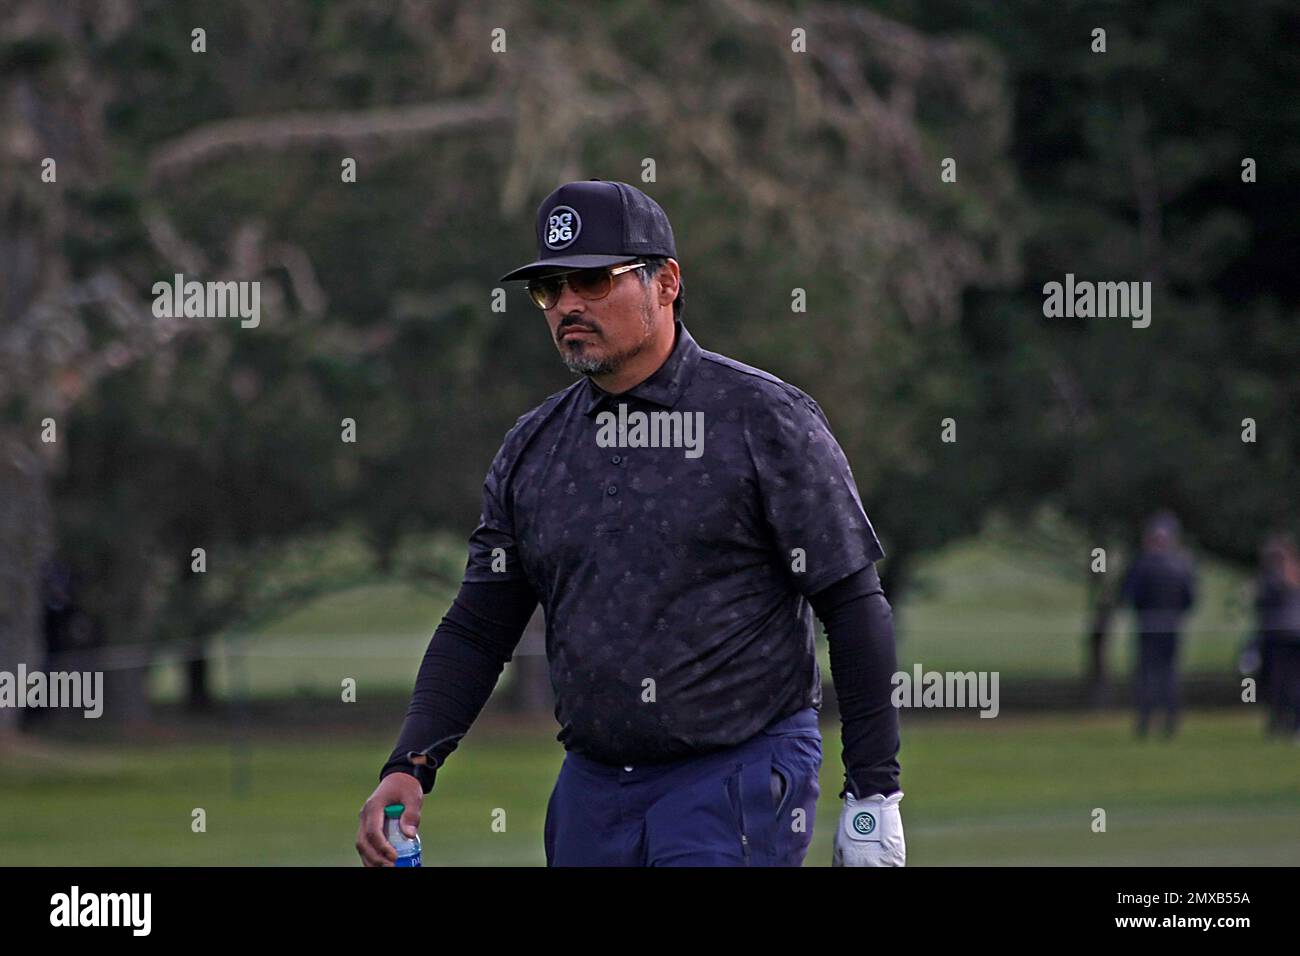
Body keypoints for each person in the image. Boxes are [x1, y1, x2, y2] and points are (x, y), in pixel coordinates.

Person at [356, 179, 903, 866]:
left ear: (666, 282)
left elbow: (852, 606)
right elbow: (478, 625)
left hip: (737, 771)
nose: (567, 305)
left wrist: (874, 793)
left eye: (591, 279)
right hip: (593, 787)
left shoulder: (764, 419)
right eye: (549, 289)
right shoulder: (534, 446)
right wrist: (411, 762)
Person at [1117, 511, 1197, 739]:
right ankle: (1170, 723)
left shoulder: (1143, 564)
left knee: (1147, 675)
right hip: (1172, 624)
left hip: (1149, 624)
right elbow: (1190, 599)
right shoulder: (1182, 565)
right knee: (1169, 675)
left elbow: (1130, 595)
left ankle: (1145, 722)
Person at [1253, 533, 1300, 738]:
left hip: (1279, 636)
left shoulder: (1274, 579)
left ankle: (1280, 722)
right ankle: (1291, 723)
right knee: (1292, 681)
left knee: (1279, 681)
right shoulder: (1294, 575)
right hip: (1292, 635)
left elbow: (1263, 605)